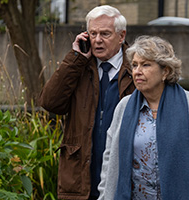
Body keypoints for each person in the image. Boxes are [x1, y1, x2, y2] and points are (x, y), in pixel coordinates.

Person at [98, 35, 189, 200]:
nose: (137, 71)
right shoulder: (124, 107)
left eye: (145, 65)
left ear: (165, 71)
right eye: (134, 65)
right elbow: (109, 160)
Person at [38, 5, 135, 200]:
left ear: (121, 35)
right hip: (80, 180)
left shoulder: (136, 68)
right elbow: (50, 102)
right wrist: (76, 58)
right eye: (93, 33)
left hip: (124, 178)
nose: (97, 40)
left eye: (105, 34)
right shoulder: (78, 67)